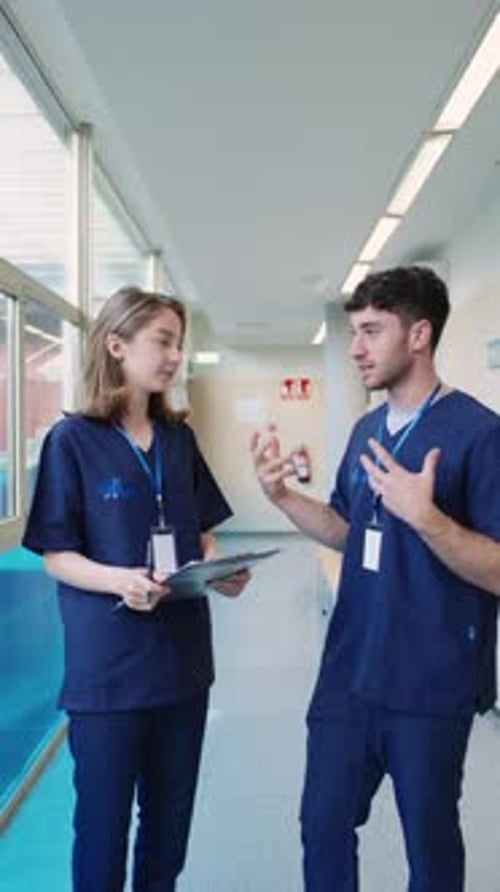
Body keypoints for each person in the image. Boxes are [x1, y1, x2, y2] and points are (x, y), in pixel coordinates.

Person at [250, 265, 500, 892]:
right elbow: (345, 528)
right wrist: (282, 497)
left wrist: (428, 520)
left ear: (419, 334)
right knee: (323, 828)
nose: (356, 348)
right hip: (349, 674)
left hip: (431, 681)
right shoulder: (366, 431)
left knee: (431, 845)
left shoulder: (480, 434)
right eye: (353, 332)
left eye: (370, 331)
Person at [23, 285, 249, 892]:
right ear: (117, 345)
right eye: (163, 341)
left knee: (168, 829)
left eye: (179, 343)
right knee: (102, 830)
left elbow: (200, 534)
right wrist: (120, 580)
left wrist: (220, 567)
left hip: (182, 668)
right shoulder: (71, 442)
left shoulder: (178, 439)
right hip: (110, 674)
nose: (175, 356)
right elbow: (56, 556)